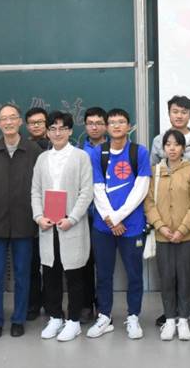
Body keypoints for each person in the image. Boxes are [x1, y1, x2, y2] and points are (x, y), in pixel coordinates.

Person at [86, 108, 151, 340]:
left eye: (121, 122)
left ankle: (133, 316)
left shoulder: (139, 152)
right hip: (103, 226)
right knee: (103, 274)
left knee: (134, 274)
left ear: (129, 126)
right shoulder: (98, 153)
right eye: (112, 122)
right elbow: (96, 188)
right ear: (106, 126)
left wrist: (118, 217)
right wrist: (111, 219)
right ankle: (104, 316)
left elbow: (141, 188)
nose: (116, 125)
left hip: (131, 225)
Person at [149, 95, 190, 328]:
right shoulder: (159, 141)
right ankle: (171, 310)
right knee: (168, 267)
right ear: (169, 113)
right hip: (166, 214)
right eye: (175, 111)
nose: (179, 115)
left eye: (184, 112)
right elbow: (153, 174)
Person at [0, 104, 43, 338]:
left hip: (24, 222)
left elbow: (40, 186)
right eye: (3, 119)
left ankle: (18, 319)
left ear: (19, 122)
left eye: (12, 118)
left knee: (22, 275)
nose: (8, 122)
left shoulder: (34, 150)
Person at [31, 111, 94, 342]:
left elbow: (86, 192)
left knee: (75, 275)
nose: (57, 133)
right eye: (53, 128)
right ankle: (55, 317)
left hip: (71, 225)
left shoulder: (80, 157)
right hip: (48, 226)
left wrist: (73, 218)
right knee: (51, 274)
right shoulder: (42, 159)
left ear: (70, 131)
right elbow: (35, 191)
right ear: (47, 132)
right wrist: (39, 216)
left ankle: (74, 321)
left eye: (62, 128)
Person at [145, 129, 190, 341]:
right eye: (168, 144)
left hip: (186, 236)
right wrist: (160, 226)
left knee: (185, 277)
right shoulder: (155, 172)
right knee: (167, 278)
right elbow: (149, 203)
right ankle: (170, 319)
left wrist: (182, 229)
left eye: (176, 144)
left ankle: (184, 320)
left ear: (183, 148)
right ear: (163, 148)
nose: (172, 148)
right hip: (163, 235)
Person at [78, 106, 108, 322]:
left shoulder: (115, 149)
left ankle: (104, 306)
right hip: (84, 216)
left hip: (107, 216)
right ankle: (86, 305)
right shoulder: (78, 151)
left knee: (104, 265)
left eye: (98, 123)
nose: (94, 127)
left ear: (105, 125)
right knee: (85, 263)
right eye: (90, 123)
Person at [24, 106, 49, 320]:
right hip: (29, 212)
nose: (36, 126)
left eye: (40, 122)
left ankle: (51, 304)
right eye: (32, 123)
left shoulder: (57, 144)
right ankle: (33, 303)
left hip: (54, 210)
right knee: (31, 263)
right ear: (26, 126)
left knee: (51, 262)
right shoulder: (22, 147)